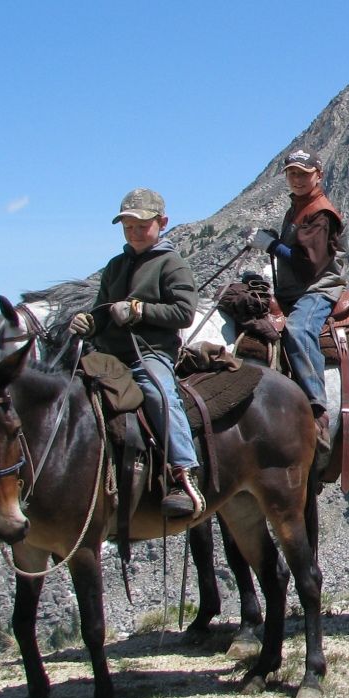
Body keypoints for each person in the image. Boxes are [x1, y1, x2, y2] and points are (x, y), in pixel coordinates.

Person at [70, 188, 204, 518]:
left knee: (159, 393)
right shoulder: (115, 266)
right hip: (109, 353)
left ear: (162, 222)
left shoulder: (172, 265)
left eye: (141, 226)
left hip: (151, 351)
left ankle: (183, 472)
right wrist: (89, 322)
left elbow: (184, 312)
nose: (134, 233)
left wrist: (139, 311)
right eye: (128, 227)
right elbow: (102, 310)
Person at [252, 148, 347, 468]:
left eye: (303, 174)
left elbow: (309, 267)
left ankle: (317, 410)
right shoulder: (299, 206)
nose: (297, 179)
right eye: (292, 173)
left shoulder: (320, 212)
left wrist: (273, 245)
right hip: (293, 289)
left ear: (317, 175)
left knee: (298, 329)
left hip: (318, 289)